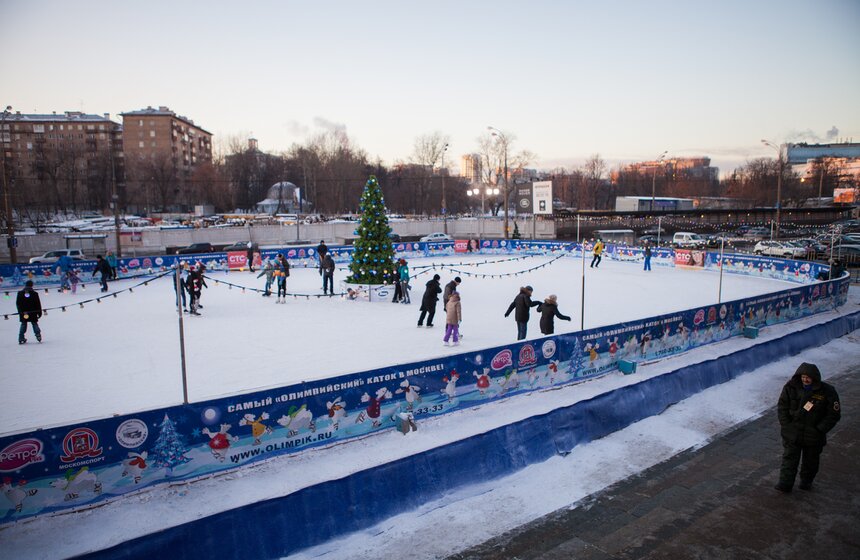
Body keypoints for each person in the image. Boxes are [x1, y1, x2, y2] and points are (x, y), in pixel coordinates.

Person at [775, 362, 841, 492]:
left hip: (813, 435)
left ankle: (806, 482)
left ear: (815, 378)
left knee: (811, 461)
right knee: (789, 459)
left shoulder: (827, 391)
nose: (805, 379)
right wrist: (786, 425)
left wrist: (819, 429)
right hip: (793, 433)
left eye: (808, 377)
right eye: (803, 376)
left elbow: (833, 414)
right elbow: (782, 407)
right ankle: (785, 484)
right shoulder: (790, 388)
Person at [16, 280, 43, 344]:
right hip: (33, 312)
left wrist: (20, 312)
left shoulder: (20, 293)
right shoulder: (34, 294)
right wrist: (39, 312)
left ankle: (21, 337)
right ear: (32, 285)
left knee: (23, 323)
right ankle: (38, 335)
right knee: (34, 323)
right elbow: (38, 304)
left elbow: (18, 304)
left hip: (24, 312)